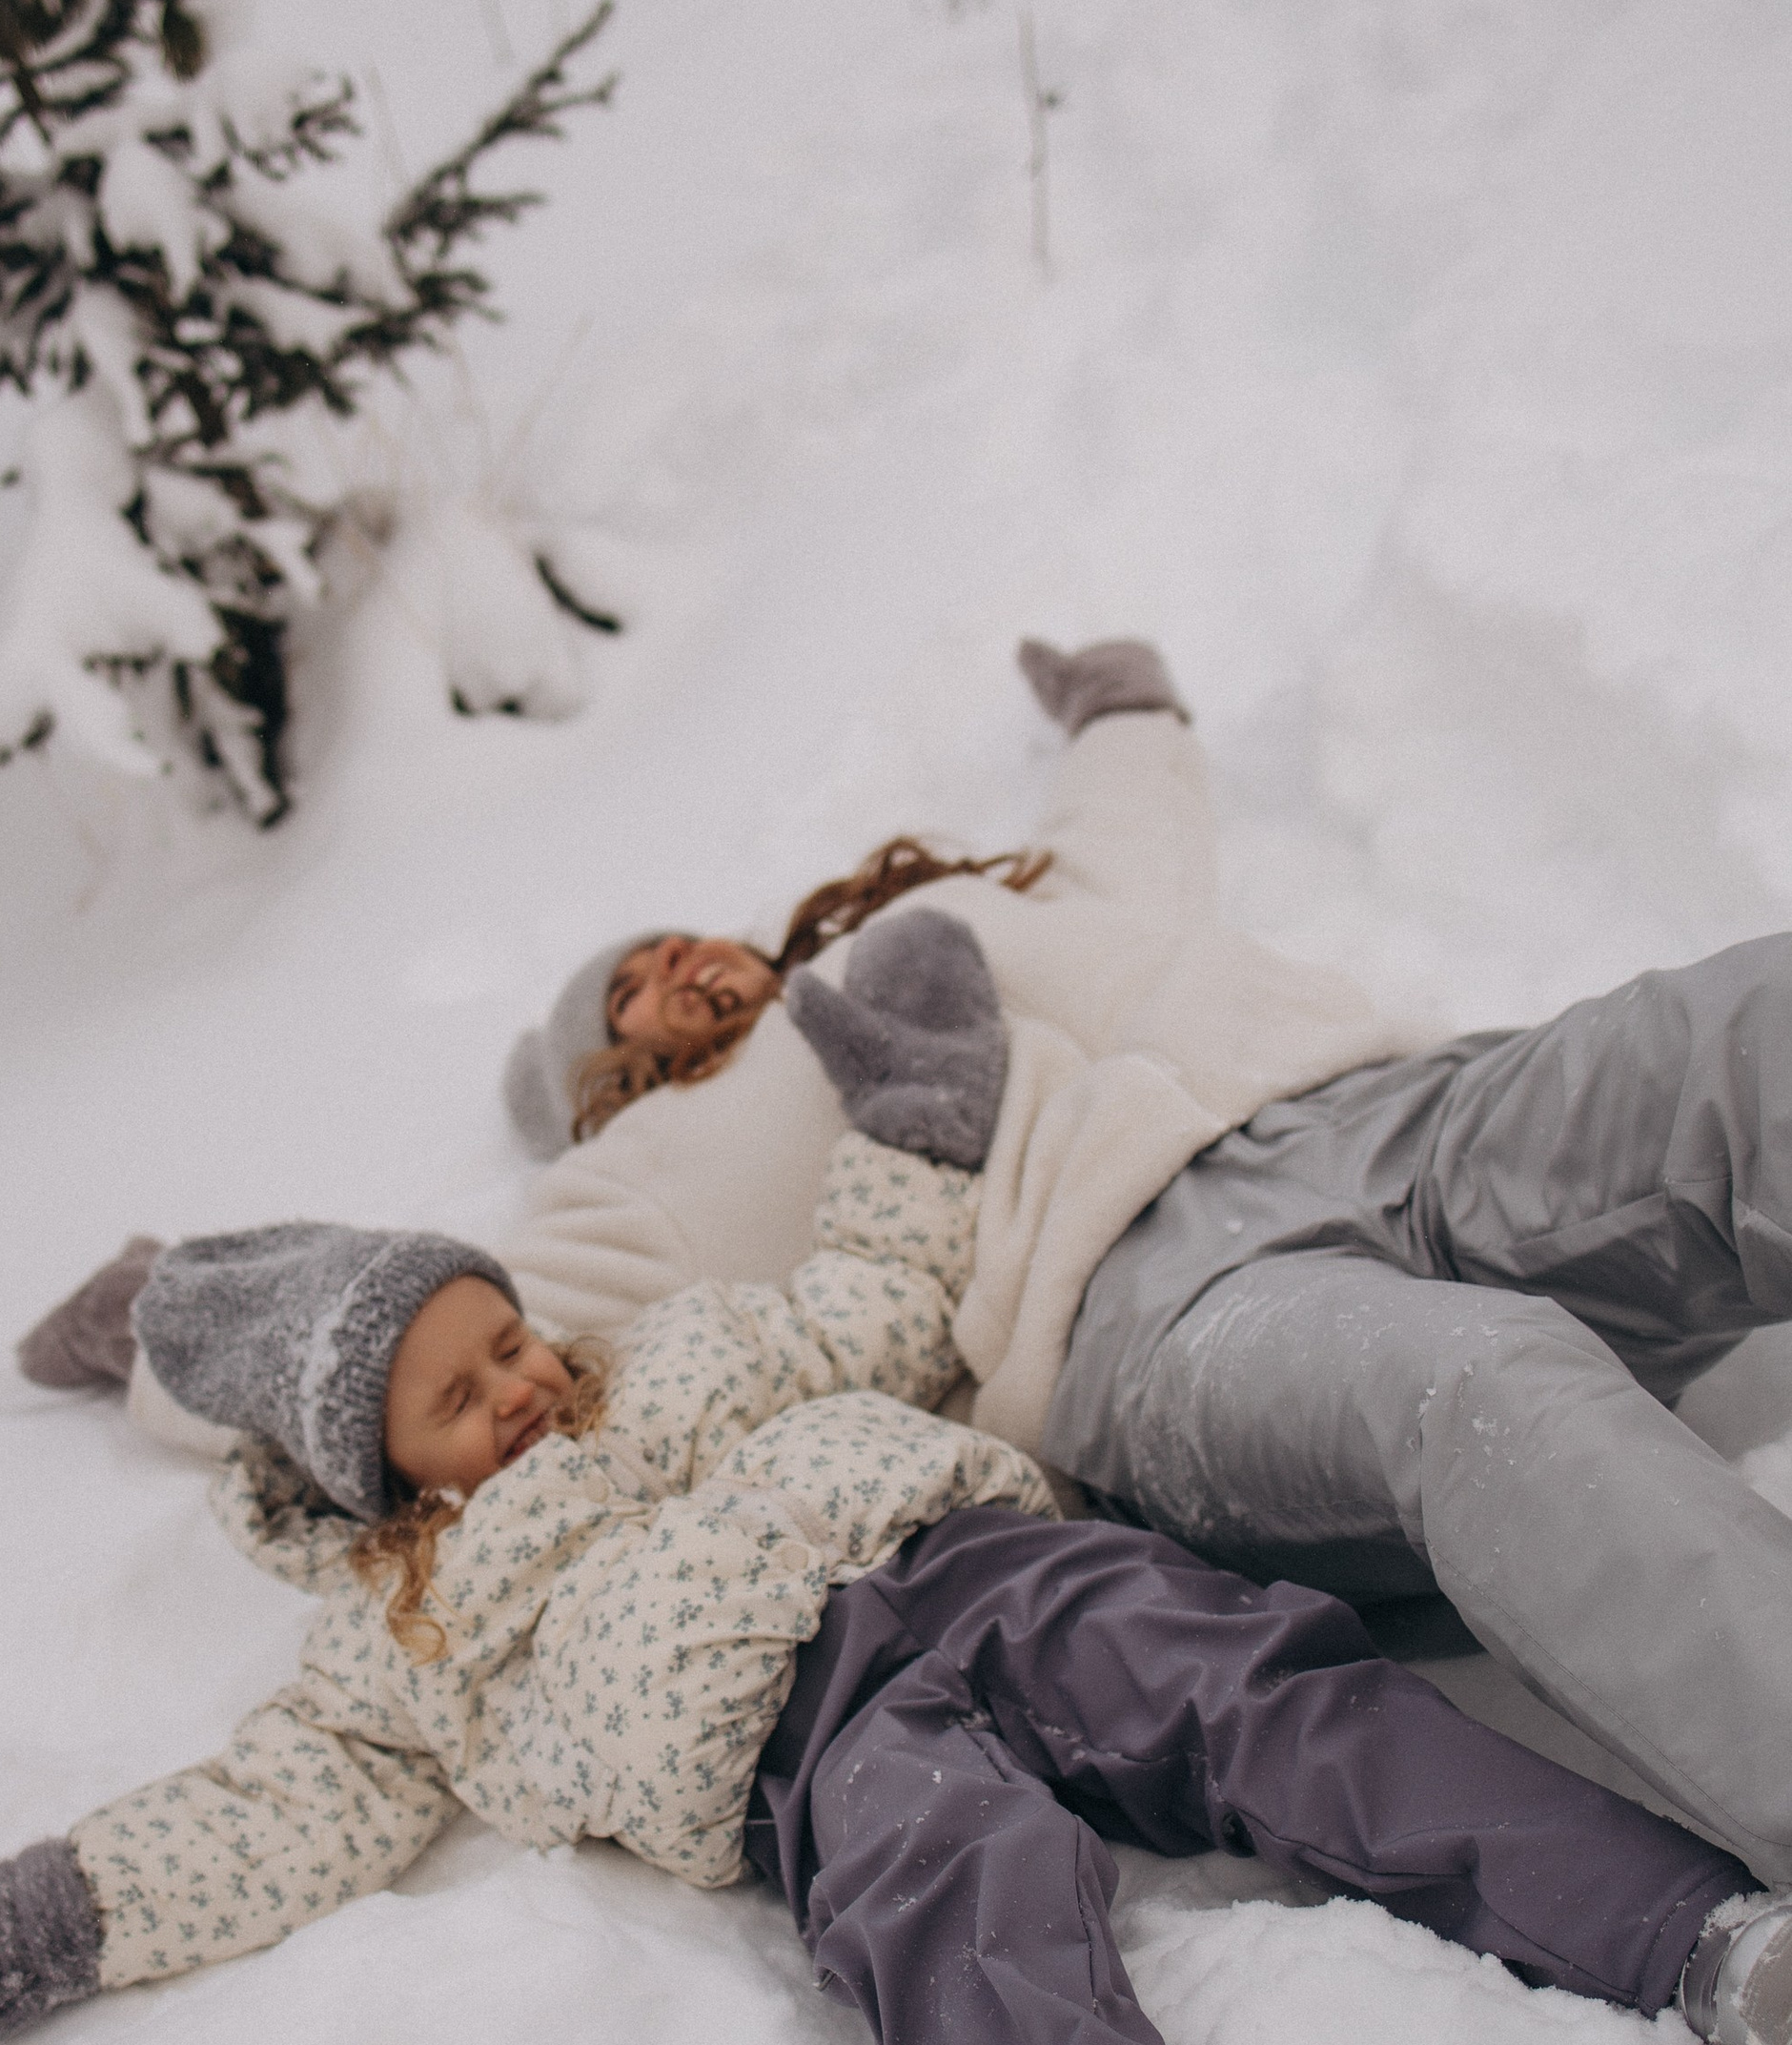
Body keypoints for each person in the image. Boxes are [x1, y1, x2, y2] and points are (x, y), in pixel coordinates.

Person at [0, 920, 1792, 2045]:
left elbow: (877, 1293)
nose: (521, 1386)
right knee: (957, 1928)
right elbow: (263, 1812)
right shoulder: (394, 1647)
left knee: (1288, 1710)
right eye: (460, 1396)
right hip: (810, 1753)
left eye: (508, 1339)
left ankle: (1698, 1941)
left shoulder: (670, 1361)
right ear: (372, 1474)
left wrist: (918, 1106)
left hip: (984, 1568)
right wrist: (46, 1916)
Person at [466, 636, 1792, 1896]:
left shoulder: (930, 919)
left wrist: (1120, 709)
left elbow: (1124, 845)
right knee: (1479, 1387)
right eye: (629, 989)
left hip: (1381, 1112)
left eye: (668, 940)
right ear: (606, 1077)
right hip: (1149, 1312)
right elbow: (481, 1333)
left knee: (1735, 1040)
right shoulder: (656, 1164)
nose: (673, 963)